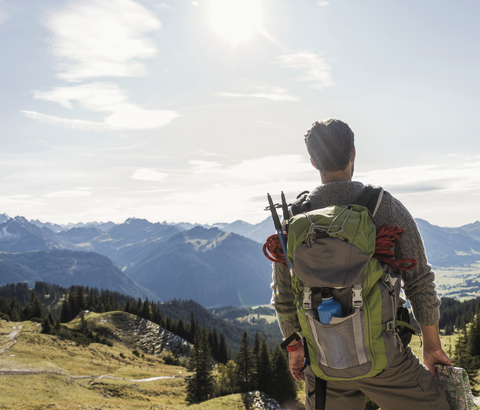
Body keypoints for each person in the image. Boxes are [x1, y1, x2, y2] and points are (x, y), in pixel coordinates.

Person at [271, 118, 452, 410]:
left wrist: (295, 349)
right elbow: (419, 281)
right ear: (353, 153)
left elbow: (283, 295)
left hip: (324, 364)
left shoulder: (294, 220)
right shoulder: (384, 207)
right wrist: (431, 347)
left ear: (313, 162)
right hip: (386, 363)